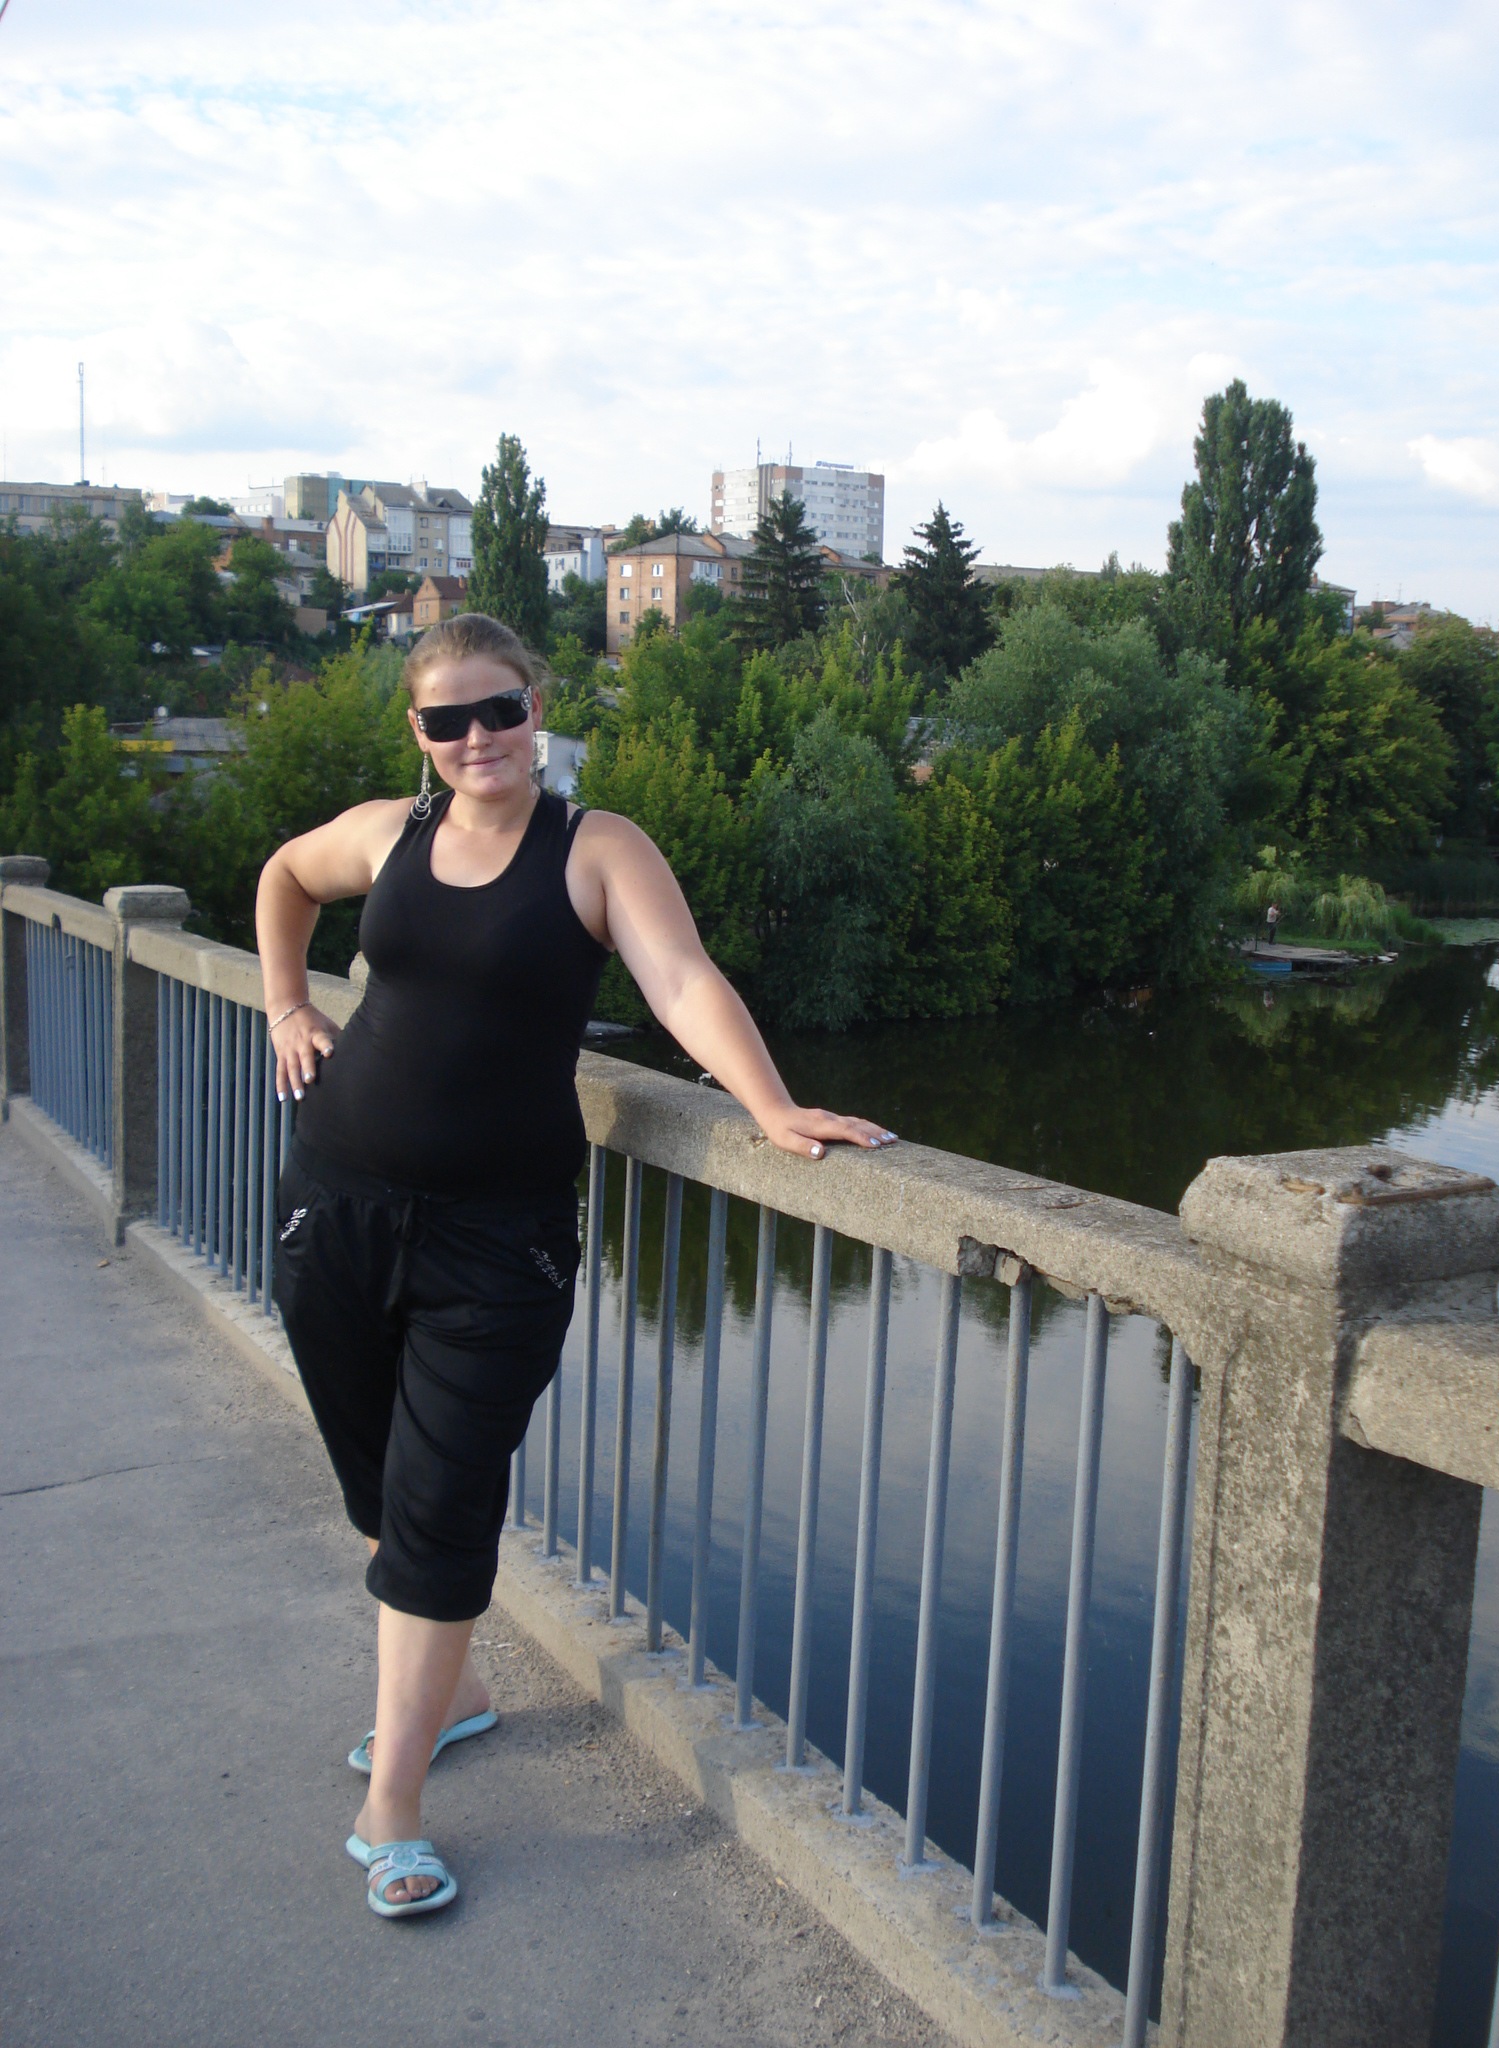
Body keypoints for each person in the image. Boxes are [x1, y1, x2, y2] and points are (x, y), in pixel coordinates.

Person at [255, 611, 896, 1920]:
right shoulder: (390, 834)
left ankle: (393, 1809)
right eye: (449, 719)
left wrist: (770, 1106)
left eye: (500, 710)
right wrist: (285, 1002)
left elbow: (681, 980)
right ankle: (457, 1690)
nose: (478, 737)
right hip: (336, 1200)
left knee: (441, 1500)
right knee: (379, 1481)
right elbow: (282, 877)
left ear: (536, 708)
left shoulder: (595, 848)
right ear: (419, 731)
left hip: (501, 1238)